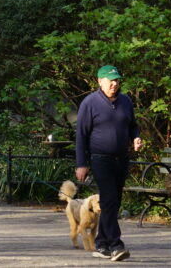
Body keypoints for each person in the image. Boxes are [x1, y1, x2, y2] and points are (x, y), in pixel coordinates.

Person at [75, 65, 143, 262]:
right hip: (100, 159)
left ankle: (102, 243)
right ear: (99, 81)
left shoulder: (125, 101)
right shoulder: (90, 103)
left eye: (117, 80)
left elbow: (133, 125)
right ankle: (116, 245)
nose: (114, 84)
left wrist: (136, 138)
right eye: (110, 80)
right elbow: (81, 135)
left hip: (121, 159)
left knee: (114, 202)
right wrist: (81, 163)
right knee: (109, 200)